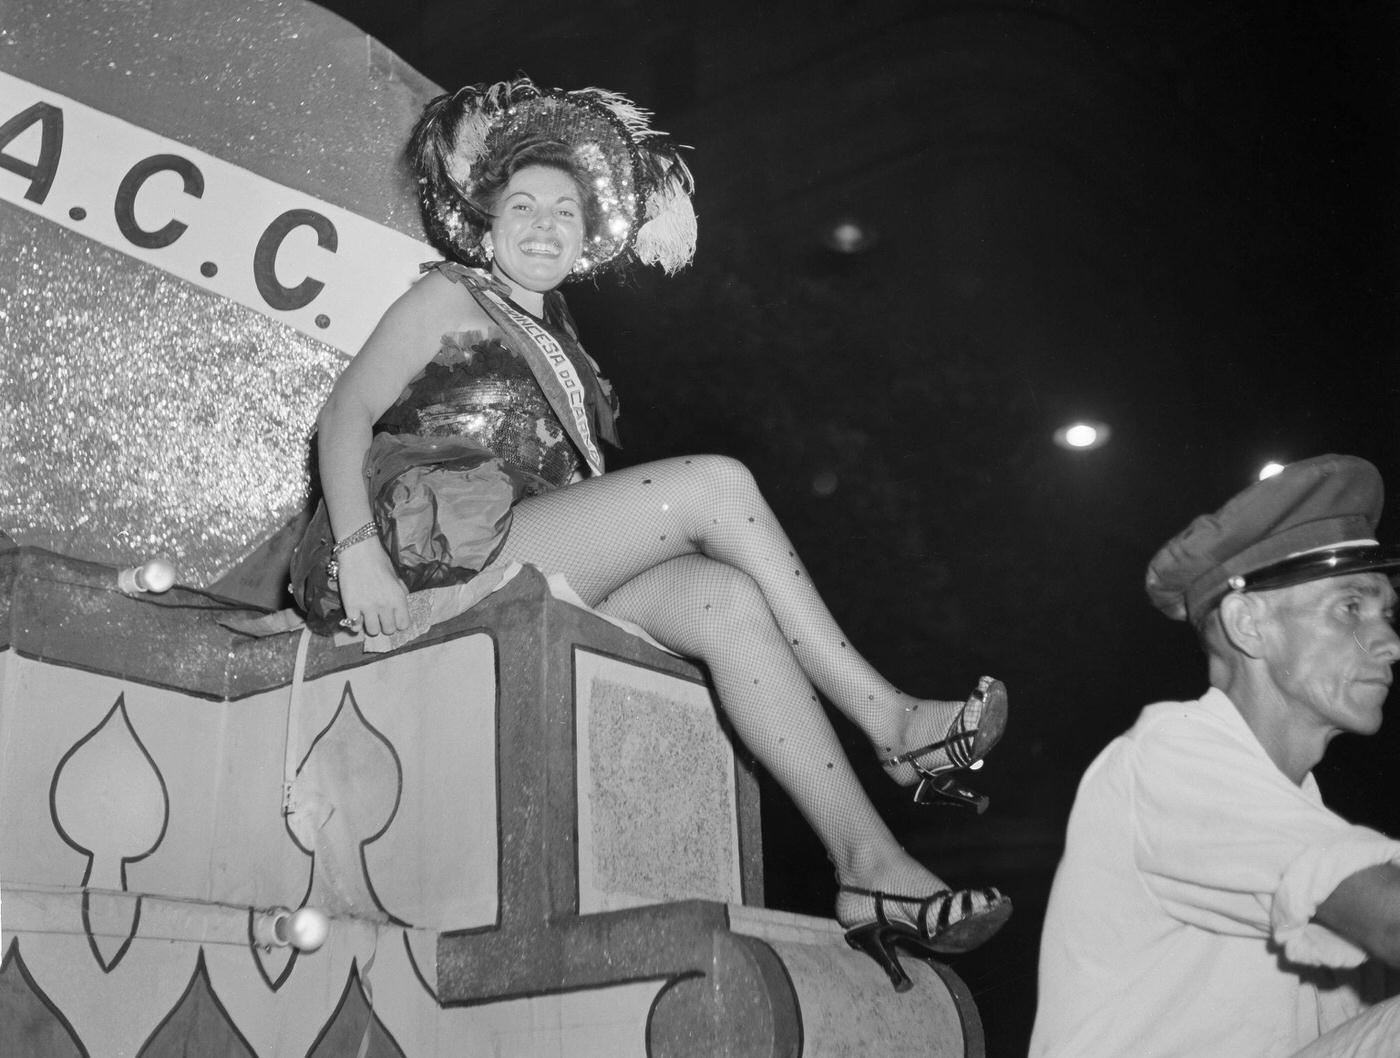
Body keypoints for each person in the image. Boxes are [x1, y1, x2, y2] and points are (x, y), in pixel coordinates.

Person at [290, 77, 1011, 990]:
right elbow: (344, 417)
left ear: (588, 236)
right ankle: (891, 720)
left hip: (529, 555)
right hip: (439, 560)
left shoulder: (565, 341)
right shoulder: (451, 296)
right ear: (485, 222)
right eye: (523, 206)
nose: (545, 224)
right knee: (716, 485)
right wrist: (360, 556)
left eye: (565, 211)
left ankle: (871, 867)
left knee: (726, 599)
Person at [1031, 454, 1400, 1057]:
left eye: (1387, 613)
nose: (1389, 642)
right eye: (1350, 608)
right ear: (1248, 624)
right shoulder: (1167, 758)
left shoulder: (1298, 811)